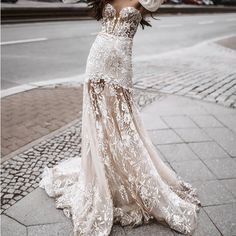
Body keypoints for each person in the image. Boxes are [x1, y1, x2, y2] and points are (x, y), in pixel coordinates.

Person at [39, 1, 201, 235]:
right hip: (97, 58)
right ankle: (102, 174)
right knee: (97, 120)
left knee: (123, 123)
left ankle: (119, 176)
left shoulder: (146, 1)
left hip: (121, 65)